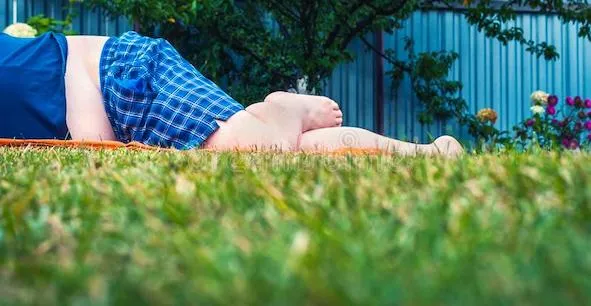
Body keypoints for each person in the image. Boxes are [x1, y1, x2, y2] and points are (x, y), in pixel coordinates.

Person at [0, 29, 464, 157]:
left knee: (247, 150)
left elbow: (68, 77)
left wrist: (92, 136)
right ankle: (425, 153)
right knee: (295, 151)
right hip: (121, 92)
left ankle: (284, 106)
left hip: (120, 77)